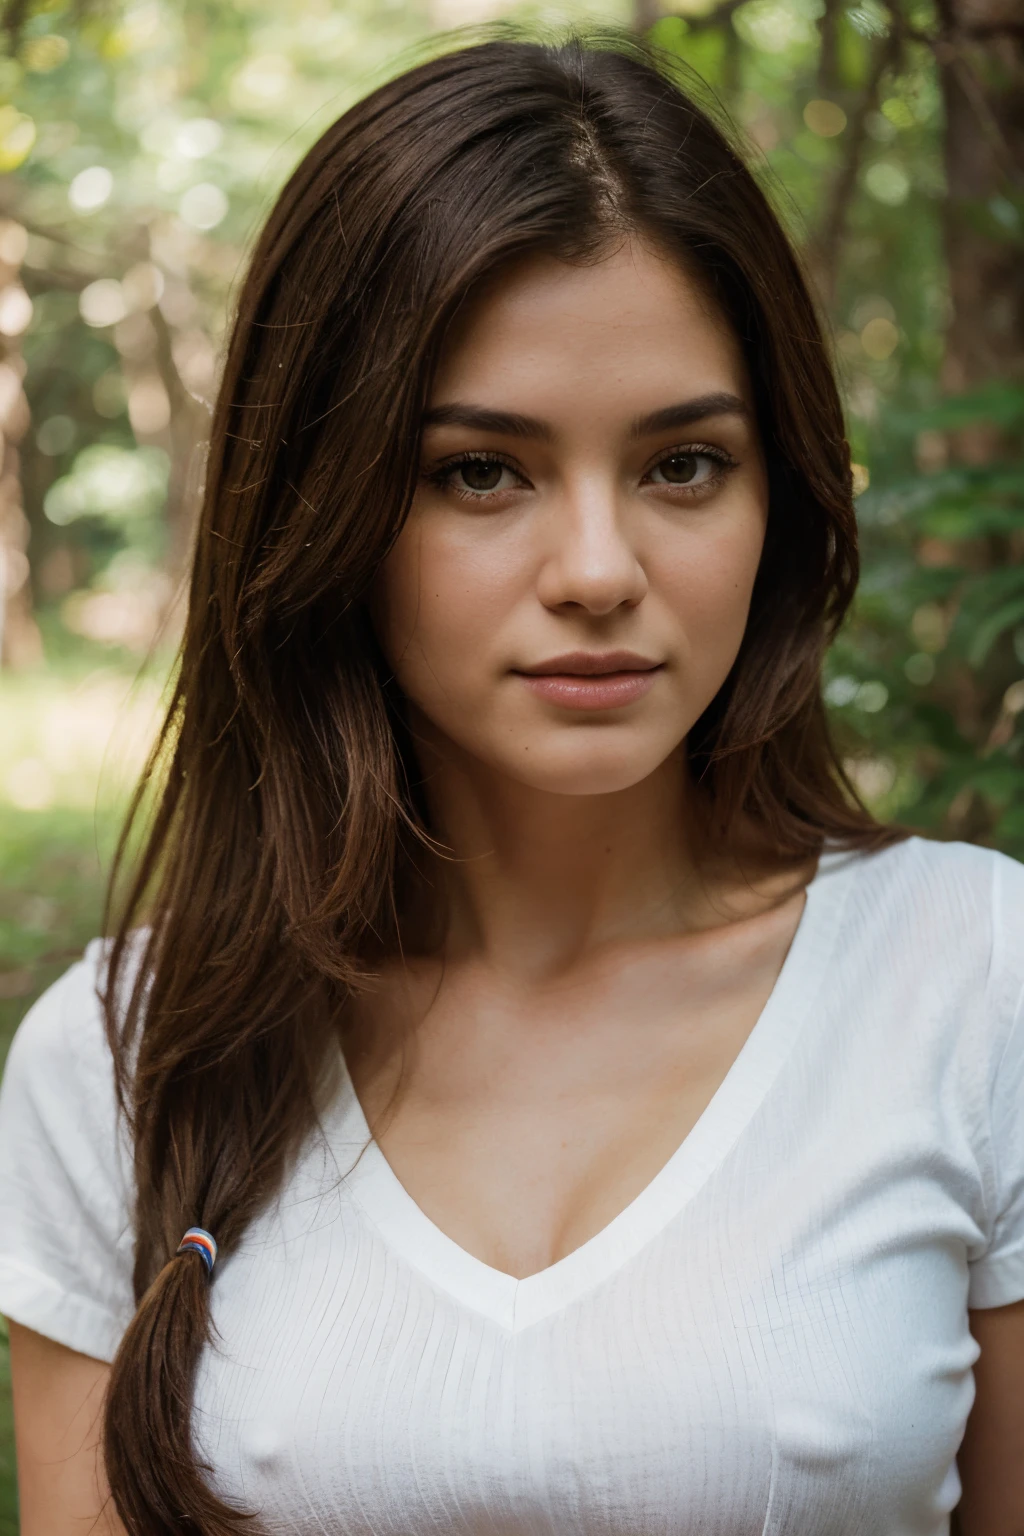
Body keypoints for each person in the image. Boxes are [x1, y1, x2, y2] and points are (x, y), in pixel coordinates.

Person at [0, 32, 1021, 1536]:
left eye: (683, 465)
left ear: (779, 498)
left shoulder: (975, 978)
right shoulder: (123, 1060)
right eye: (483, 471)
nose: (601, 572)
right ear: (325, 507)